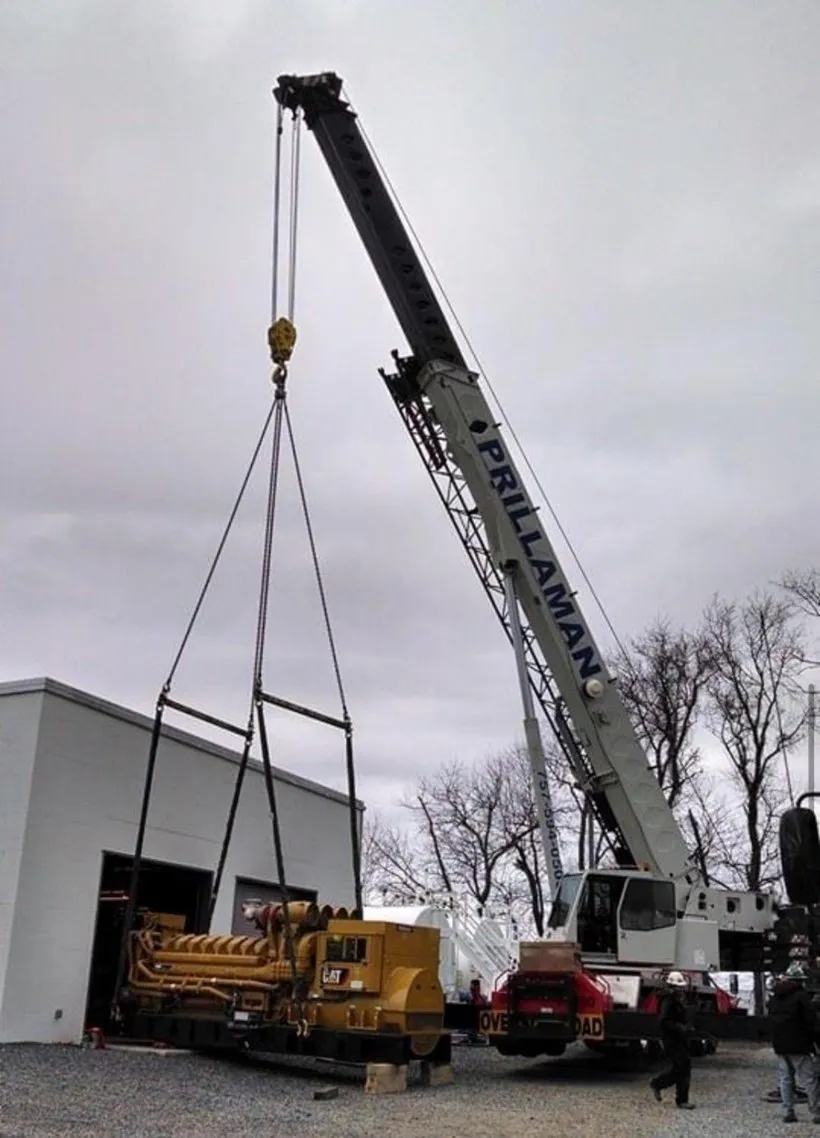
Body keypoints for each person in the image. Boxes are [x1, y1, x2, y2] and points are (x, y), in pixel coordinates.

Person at [767, 962, 820, 1124]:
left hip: (780, 1044)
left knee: (785, 1079)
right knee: (809, 1078)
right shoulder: (801, 996)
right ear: (800, 981)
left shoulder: (775, 996)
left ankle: (788, 1111)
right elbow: (810, 1021)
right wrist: (816, 1042)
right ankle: (817, 1111)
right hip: (800, 1044)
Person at [649, 971, 696, 1110]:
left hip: (678, 1038)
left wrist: (685, 1027)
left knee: (682, 1068)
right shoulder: (668, 1000)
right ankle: (677, 1097)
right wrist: (680, 1028)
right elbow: (663, 1021)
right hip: (672, 1039)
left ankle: (662, 1087)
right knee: (682, 1068)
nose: (681, 989)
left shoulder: (676, 998)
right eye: (678, 986)